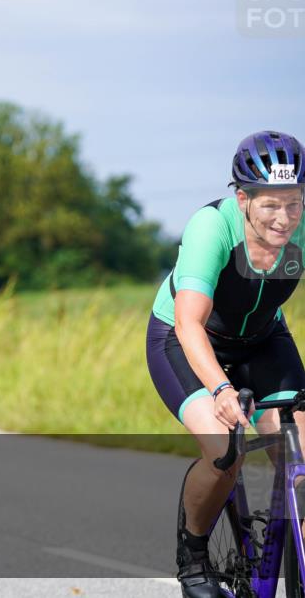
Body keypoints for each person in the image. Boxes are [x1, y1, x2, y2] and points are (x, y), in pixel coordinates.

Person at [147, 130, 305, 597]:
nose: (284, 219)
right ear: (243, 198)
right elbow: (189, 323)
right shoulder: (211, 229)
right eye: (270, 205)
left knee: (299, 450)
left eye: (294, 204)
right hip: (186, 340)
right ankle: (193, 559)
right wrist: (220, 390)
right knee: (225, 451)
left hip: (261, 340)